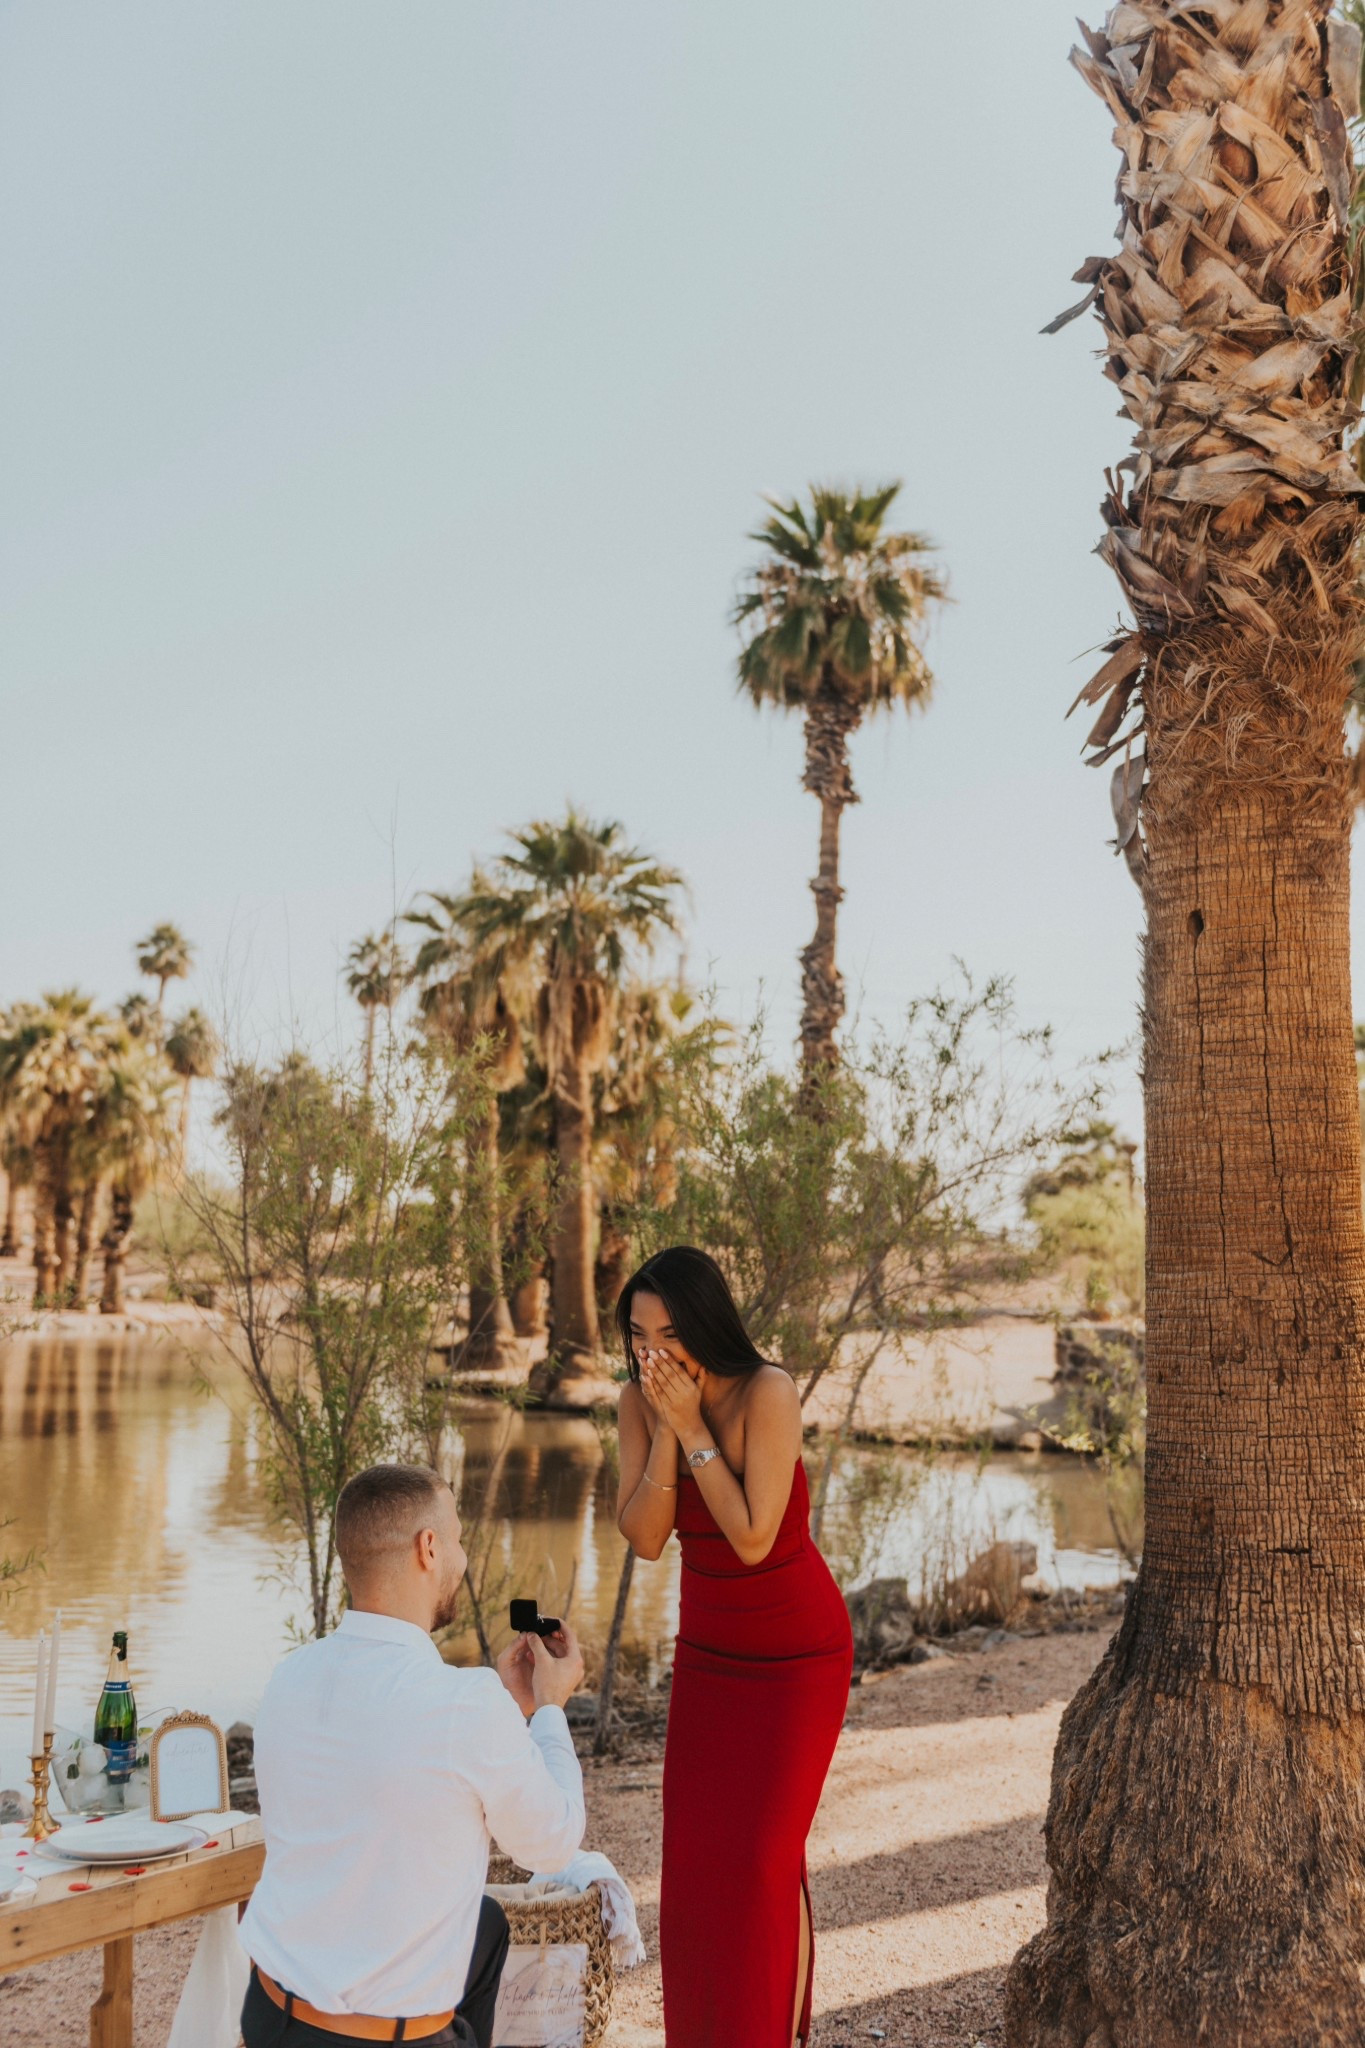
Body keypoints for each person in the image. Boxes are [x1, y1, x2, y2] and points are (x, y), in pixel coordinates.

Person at [239, 1462, 586, 2047]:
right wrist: (548, 1709)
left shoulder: (289, 1677)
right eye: (457, 1538)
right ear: (429, 1548)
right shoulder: (465, 1705)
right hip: (384, 2040)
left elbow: (386, 1771)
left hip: (271, 2014)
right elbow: (552, 1843)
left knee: (486, 1926)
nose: (462, 1556)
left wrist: (506, 1710)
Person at [616, 1246, 854, 2048]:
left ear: (706, 1323)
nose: (653, 1353)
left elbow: (753, 1537)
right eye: (639, 1335)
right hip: (708, 1657)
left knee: (761, 1862)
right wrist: (663, 1429)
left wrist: (690, 1426)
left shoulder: (766, 1391)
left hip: (796, 1658)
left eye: (670, 1333)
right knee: (692, 1868)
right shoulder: (635, 1402)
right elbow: (644, 1537)